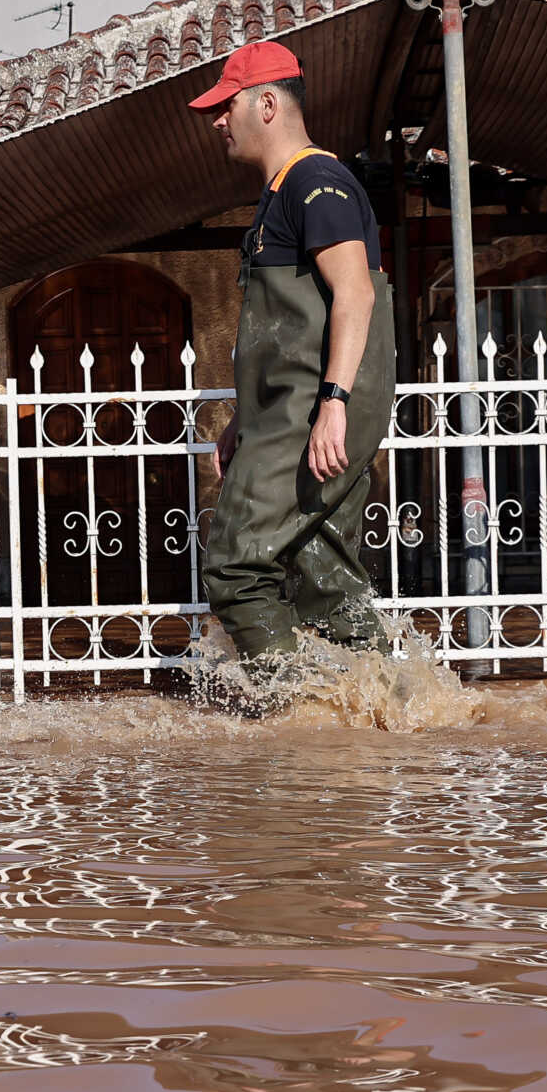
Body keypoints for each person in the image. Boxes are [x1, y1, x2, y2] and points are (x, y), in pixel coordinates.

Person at [188, 39, 396, 662]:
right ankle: (393, 710)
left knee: (233, 564)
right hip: (295, 411)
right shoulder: (285, 190)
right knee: (322, 573)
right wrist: (245, 427)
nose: (218, 121)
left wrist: (332, 403)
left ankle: (291, 708)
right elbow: (282, 331)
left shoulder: (315, 181)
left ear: (269, 103)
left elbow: (355, 292)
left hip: (314, 408)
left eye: (228, 105)